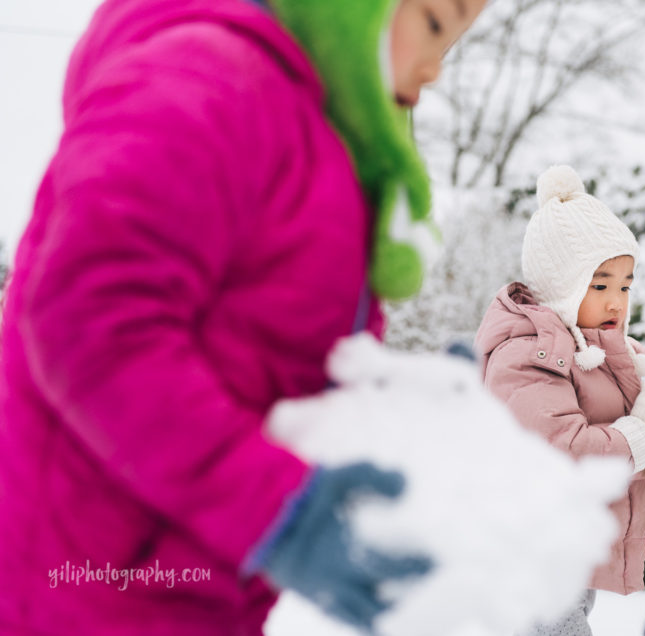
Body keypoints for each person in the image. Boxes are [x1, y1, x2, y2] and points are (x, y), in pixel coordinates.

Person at [0, 0, 485, 633]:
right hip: (86, 584)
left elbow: (270, 365)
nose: (435, 68)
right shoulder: (206, 81)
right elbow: (88, 323)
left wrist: (391, 406)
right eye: (433, 23)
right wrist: (273, 510)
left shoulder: (322, 151)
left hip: (200, 584)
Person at [475, 165, 645, 636]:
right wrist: (644, 432)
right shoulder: (527, 354)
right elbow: (564, 453)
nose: (617, 301)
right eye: (599, 285)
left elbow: (623, 441)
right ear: (560, 283)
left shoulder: (609, 356)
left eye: (625, 284)